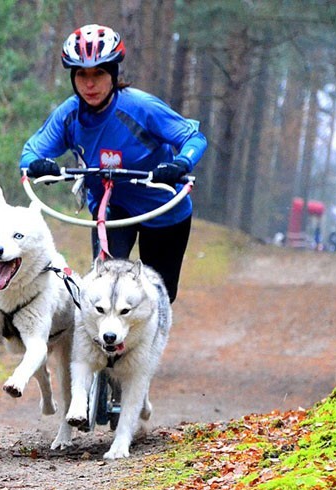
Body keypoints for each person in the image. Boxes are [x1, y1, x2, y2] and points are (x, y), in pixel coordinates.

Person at [20, 24, 207, 303]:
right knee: (105, 287)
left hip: (164, 208)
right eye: (82, 74)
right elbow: (30, 153)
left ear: (114, 74)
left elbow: (194, 137)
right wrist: (38, 164)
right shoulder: (69, 115)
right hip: (112, 209)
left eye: (99, 73)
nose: (90, 84)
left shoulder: (139, 107)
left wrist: (181, 163)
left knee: (158, 298)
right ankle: (107, 346)